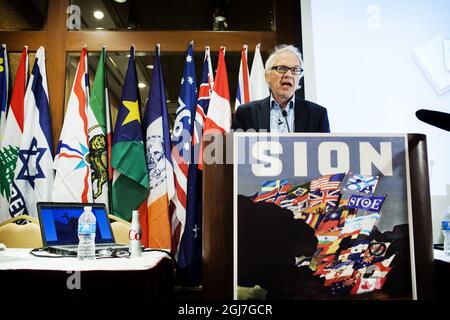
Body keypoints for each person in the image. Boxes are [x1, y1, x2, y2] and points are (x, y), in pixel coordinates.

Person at [232, 45, 330, 133]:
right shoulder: (246, 113)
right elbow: (237, 151)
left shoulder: (317, 115)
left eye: (295, 70)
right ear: (267, 75)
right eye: (282, 68)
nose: (288, 75)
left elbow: (324, 151)